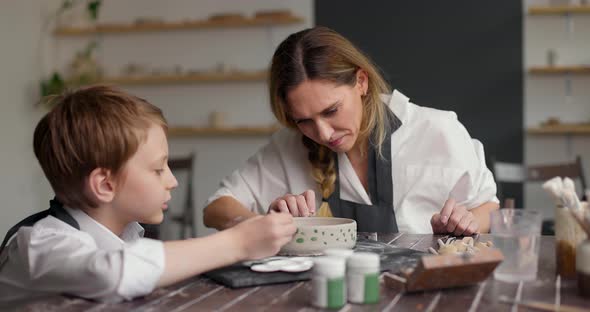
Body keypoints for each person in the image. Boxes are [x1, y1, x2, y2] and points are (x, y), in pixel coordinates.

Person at [0, 86, 296, 304]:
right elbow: (114, 272)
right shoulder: (39, 245)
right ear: (105, 185)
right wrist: (238, 242)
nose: (172, 181)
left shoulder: (128, 236)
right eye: (158, 170)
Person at [203, 26, 499, 235]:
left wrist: (467, 221)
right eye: (302, 120)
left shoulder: (437, 130)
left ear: (361, 82)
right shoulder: (288, 145)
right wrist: (263, 226)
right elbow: (216, 208)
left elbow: (489, 208)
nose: (322, 133)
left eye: (331, 111)